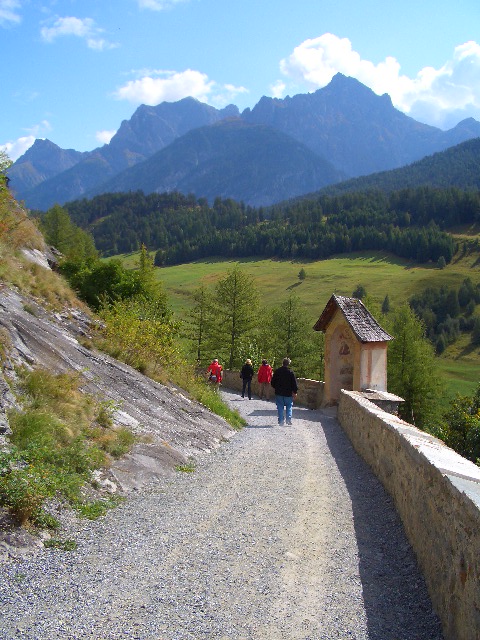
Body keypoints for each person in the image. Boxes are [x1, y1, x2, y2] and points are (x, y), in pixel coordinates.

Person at [270, 357, 298, 426]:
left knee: (280, 407)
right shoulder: (290, 372)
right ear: (288, 364)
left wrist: (276, 387)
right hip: (288, 393)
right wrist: (295, 392)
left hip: (279, 392)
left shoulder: (277, 371)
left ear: (282, 363)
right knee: (289, 406)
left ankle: (281, 420)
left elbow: (273, 382)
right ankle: (288, 419)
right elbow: (294, 383)